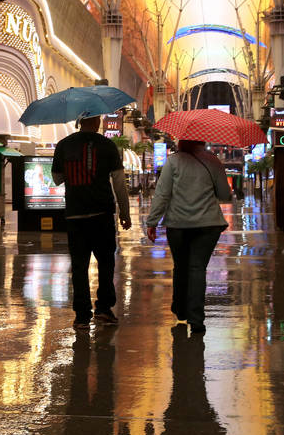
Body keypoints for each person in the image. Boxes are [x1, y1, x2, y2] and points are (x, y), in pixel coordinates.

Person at [145, 140, 232, 334]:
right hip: (208, 225)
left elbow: (162, 194)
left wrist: (152, 221)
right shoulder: (213, 162)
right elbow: (225, 194)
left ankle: (181, 310)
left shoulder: (173, 162)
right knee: (197, 268)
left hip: (178, 225)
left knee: (181, 266)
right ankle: (197, 319)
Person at [52, 115, 132, 327]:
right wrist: (125, 212)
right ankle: (104, 309)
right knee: (106, 263)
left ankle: (82, 316)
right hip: (102, 215)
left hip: (75, 215)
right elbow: (119, 182)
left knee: (79, 266)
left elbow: (56, 178)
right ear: (97, 122)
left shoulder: (64, 145)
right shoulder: (107, 146)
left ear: (79, 121)